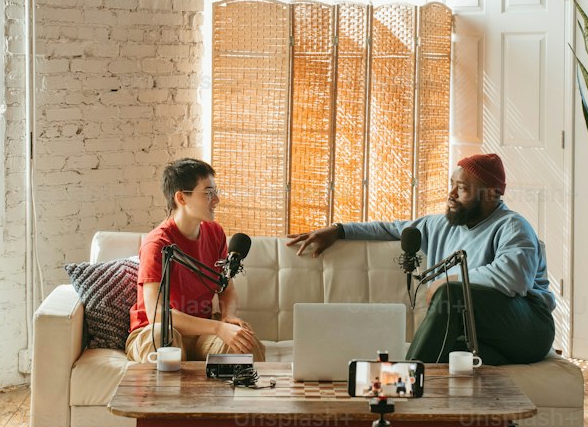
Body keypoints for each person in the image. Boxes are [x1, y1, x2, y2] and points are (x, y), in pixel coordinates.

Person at [287, 153, 555, 366]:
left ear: (491, 194)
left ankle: (403, 385)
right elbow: (391, 228)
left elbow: (513, 279)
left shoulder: (513, 226)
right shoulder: (439, 226)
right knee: (450, 355)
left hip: (528, 328)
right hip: (478, 333)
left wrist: (446, 282)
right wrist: (339, 230)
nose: (450, 194)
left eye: (461, 188)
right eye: (451, 185)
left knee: (451, 294)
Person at [125, 157, 266, 364]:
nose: (216, 199)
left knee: (243, 343)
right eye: (208, 193)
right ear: (182, 198)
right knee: (160, 339)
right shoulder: (157, 244)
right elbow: (157, 314)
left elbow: (227, 290)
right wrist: (218, 327)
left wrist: (227, 317)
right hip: (159, 331)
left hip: (201, 332)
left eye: (215, 192)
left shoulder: (215, 233)